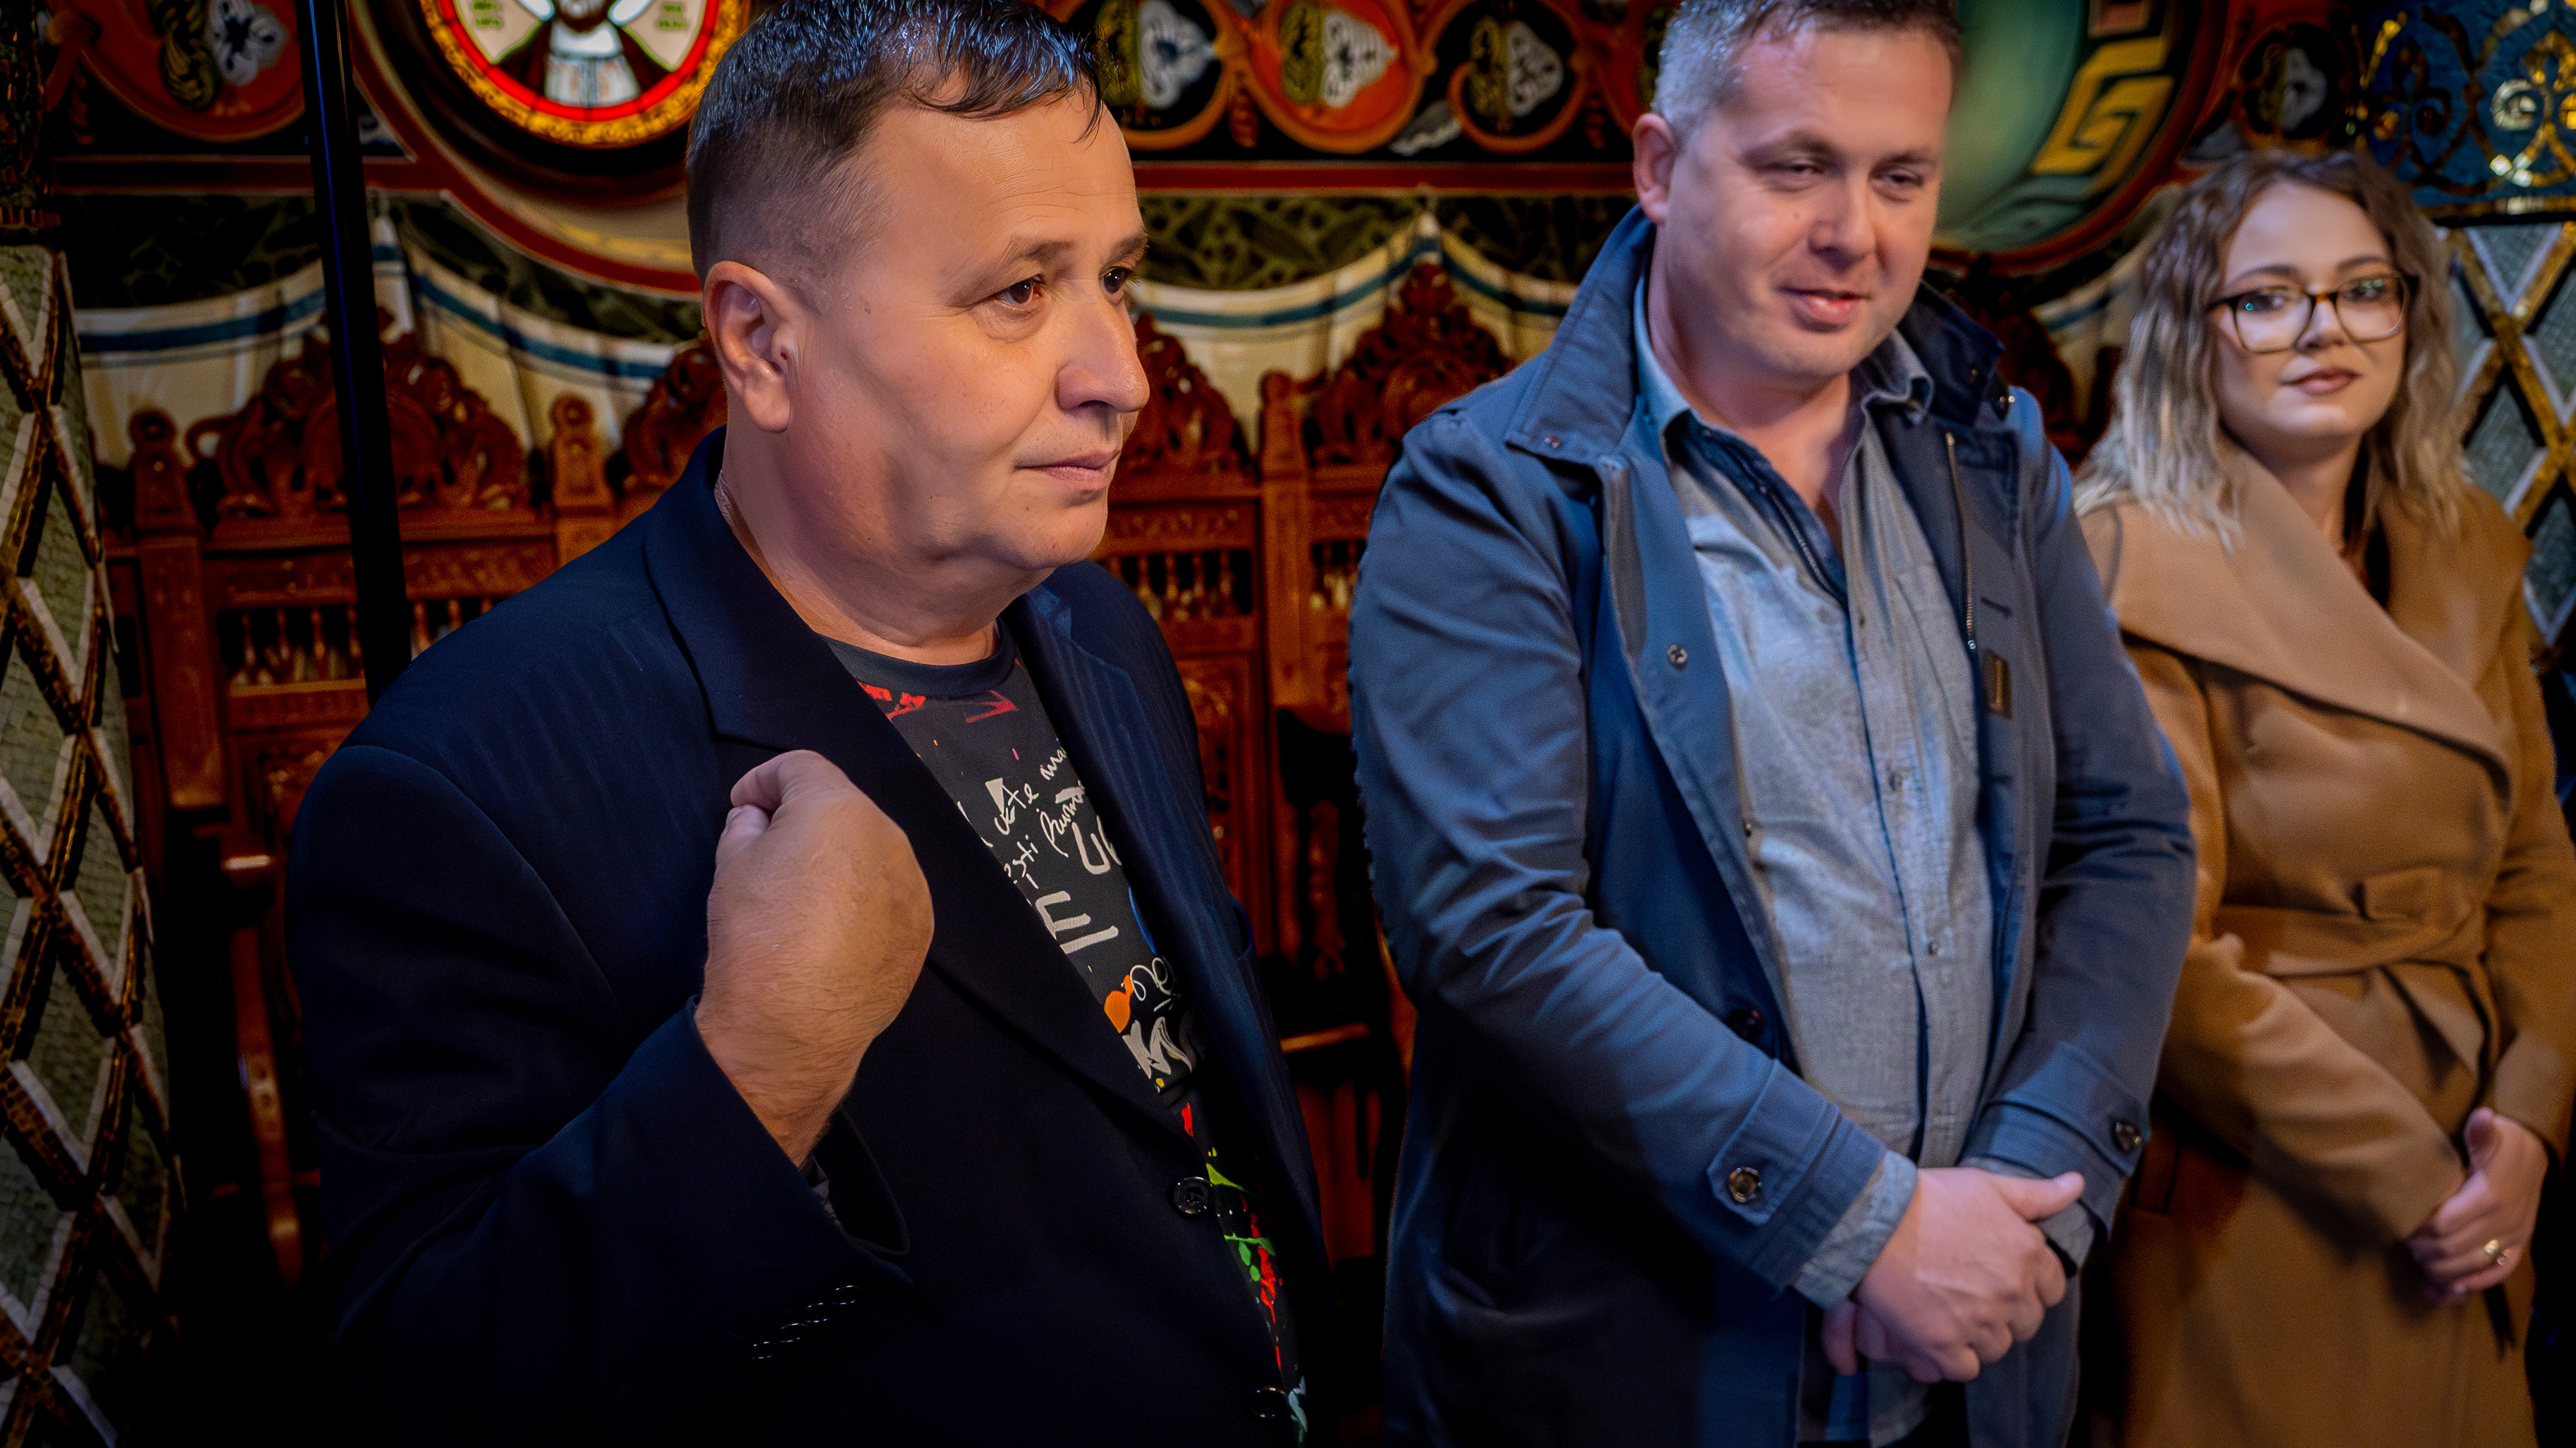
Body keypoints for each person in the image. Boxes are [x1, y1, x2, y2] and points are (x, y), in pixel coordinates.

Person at [285, 2, 1327, 1441]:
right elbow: (436, 1392)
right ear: (763, 341)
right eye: (1018, 291)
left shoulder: (1095, 626)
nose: (1120, 374)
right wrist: (758, 1067)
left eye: (1115, 279)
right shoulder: (465, 780)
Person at [1346, 2, 2198, 1444]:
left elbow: (2126, 838)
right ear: (1659, 166)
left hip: (1974, 1352)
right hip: (1642, 1362)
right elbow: (1490, 929)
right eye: (1795, 166)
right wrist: (1864, 1229)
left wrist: (2024, 1201)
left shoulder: (1991, 455)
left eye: (1898, 177)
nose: (1852, 234)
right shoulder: (1491, 488)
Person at [2073, 148, 2576, 1448]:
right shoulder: (2121, 560)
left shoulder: (2465, 540)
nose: (2322, 330)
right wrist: (2408, 1176)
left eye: (2362, 289)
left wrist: (2528, 1120)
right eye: (2266, 298)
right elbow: (2156, 952)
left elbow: (2532, 869)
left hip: (2476, 1157)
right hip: (2261, 1178)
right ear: (2192, 330)